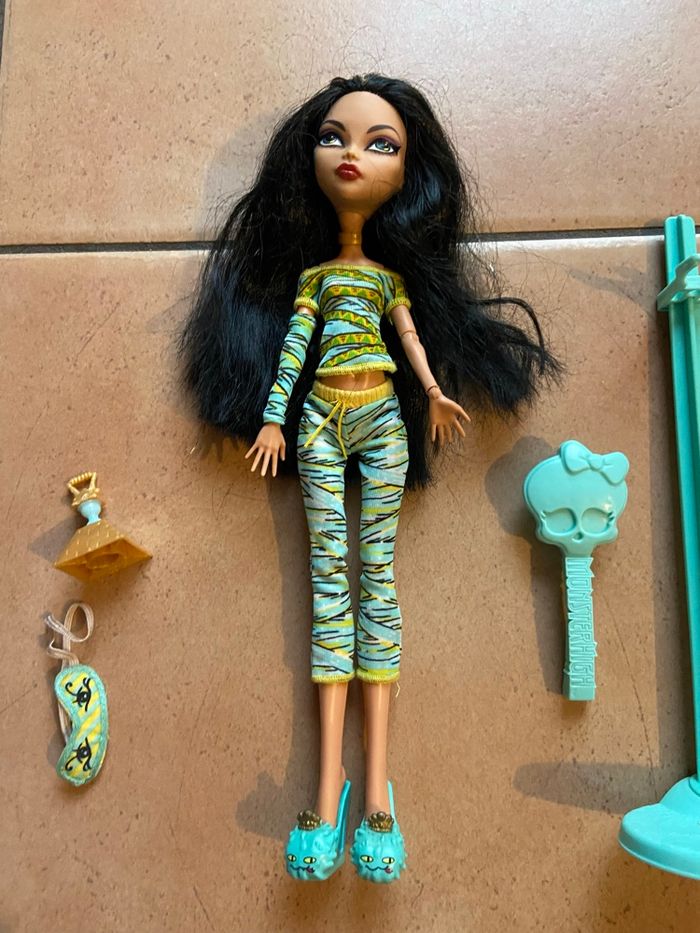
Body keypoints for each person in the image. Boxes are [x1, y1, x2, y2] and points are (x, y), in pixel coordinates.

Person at [180, 74, 559, 883]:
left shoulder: (389, 281)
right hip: (319, 417)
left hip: (382, 417)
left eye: (379, 144)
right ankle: (328, 789)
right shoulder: (315, 280)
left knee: (375, 579)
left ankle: (378, 789)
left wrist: (433, 393)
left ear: (409, 176)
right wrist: (274, 417)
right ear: (307, 161)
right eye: (335, 137)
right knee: (330, 581)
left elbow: (411, 339)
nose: (352, 154)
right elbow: (293, 350)